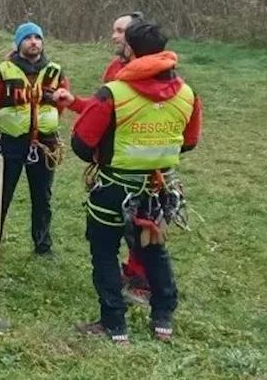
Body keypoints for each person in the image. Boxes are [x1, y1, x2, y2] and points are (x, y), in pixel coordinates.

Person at [67, 19, 202, 344]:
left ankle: (114, 325)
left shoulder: (114, 93)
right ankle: (163, 320)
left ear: (130, 50)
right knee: (154, 251)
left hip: (114, 188)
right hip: (158, 190)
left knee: (104, 252)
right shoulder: (187, 94)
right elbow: (189, 141)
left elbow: (82, 143)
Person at [57, 10, 151, 303]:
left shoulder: (156, 75)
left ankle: (142, 281)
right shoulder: (115, 69)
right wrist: (74, 104)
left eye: (120, 31)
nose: (114, 36)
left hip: (142, 163)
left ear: (136, 38)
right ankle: (127, 275)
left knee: (142, 222)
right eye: (114, 30)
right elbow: (103, 110)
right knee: (115, 225)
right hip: (113, 162)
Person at [0, 22, 70, 257]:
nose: (33, 42)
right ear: (19, 43)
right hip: (11, 142)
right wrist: (4, 126)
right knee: (1, 194)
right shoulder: (1, 72)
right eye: (27, 38)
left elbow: (62, 103)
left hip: (44, 143)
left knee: (43, 197)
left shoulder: (55, 72)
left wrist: (43, 125)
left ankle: (43, 246)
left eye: (37, 38)